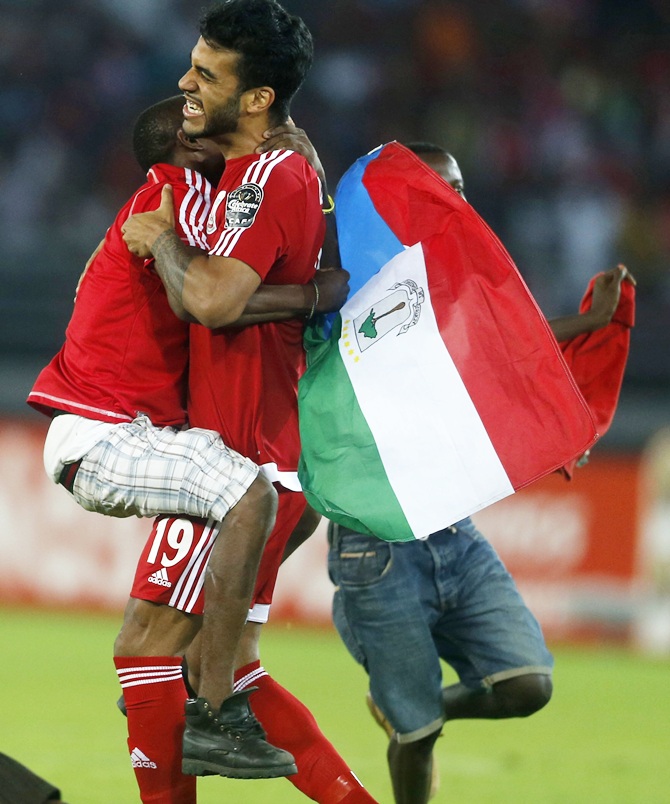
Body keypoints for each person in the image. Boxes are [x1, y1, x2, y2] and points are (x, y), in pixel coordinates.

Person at [119, 2, 377, 801]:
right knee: (218, 663)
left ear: (259, 97)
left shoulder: (268, 176)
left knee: (146, 649)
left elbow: (215, 300)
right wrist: (307, 294)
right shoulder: (266, 169)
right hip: (258, 456)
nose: (185, 84)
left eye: (206, 74)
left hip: (241, 461)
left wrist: (160, 239)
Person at [326, 142, 635, 804]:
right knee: (417, 737)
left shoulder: (461, 285)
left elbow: (497, 369)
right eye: (441, 190)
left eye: (460, 188)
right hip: (376, 547)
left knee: (528, 683)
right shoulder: (361, 288)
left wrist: (583, 340)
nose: (456, 203)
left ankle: (416, 705)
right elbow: (476, 365)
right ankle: (412, 717)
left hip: (452, 535)